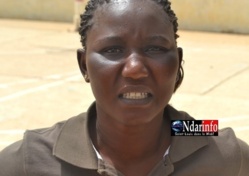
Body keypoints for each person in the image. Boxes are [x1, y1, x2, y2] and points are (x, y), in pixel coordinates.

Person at [0, 0, 249, 175]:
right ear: (84, 65)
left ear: (178, 61)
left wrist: (207, 133)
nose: (135, 69)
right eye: (112, 50)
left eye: (155, 49)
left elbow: (204, 132)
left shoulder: (226, 154)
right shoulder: (29, 159)